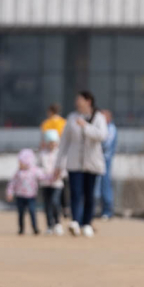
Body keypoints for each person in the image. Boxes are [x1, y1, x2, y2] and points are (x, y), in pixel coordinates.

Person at [54, 91, 108, 238]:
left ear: (88, 101)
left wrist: (85, 126)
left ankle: (87, 224)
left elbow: (102, 136)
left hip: (92, 163)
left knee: (89, 194)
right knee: (76, 193)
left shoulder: (98, 117)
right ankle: (75, 222)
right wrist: (58, 164)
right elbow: (64, 142)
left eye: (80, 99)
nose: (77, 102)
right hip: (74, 163)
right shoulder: (72, 118)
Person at [5, 148, 46, 236]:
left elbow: (44, 177)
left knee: (32, 211)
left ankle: (35, 228)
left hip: (31, 196)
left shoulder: (34, 171)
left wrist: (53, 177)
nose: (19, 164)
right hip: (20, 196)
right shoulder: (18, 173)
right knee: (21, 213)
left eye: (21, 162)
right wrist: (9, 192)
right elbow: (12, 183)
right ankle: (21, 228)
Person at [38, 129, 65, 235]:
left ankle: (57, 223)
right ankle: (49, 225)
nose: (51, 145)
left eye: (53, 142)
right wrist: (42, 176)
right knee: (47, 204)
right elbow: (38, 167)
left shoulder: (59, 154)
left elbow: (64, 168)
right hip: (45, 183)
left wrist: (59, 175)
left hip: (57, 183)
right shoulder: (42, 154)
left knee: (55, 201)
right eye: (49, 142)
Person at [95, 109, 117, 221]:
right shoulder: (101, 128)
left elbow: (106, 143)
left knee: (105, 185)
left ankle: (107, 211)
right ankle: (98, 210)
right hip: (97, 159)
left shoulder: (111, 129)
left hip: (105, 160)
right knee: (95, 186)